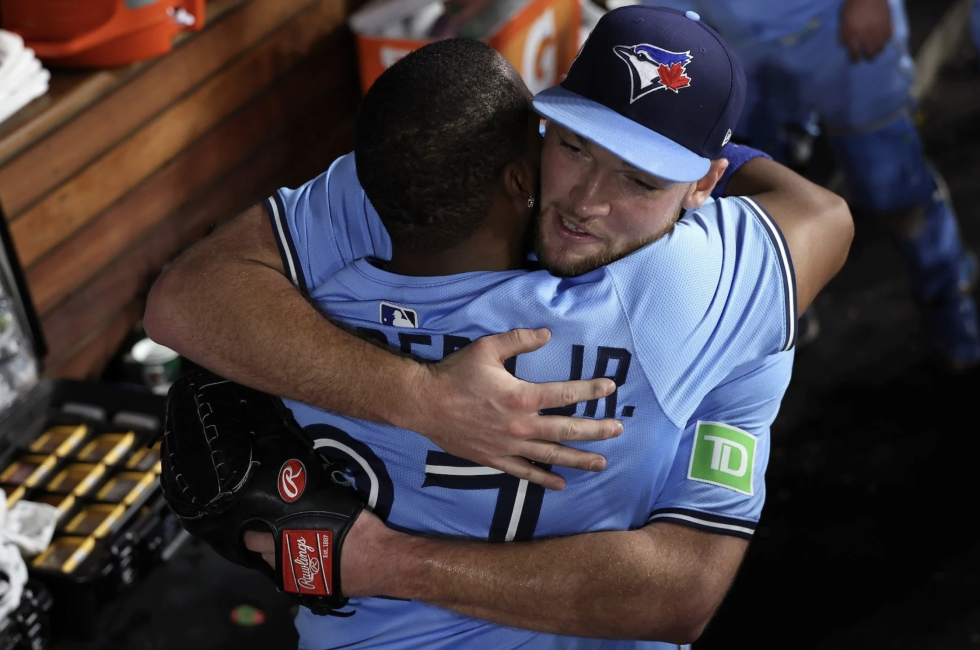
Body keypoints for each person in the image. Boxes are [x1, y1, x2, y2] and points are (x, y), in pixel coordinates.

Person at [146, 8, 852, 648]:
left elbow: (184, 297)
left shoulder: (387, 218)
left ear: (703, 186)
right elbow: (826, 214)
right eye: (576, 147)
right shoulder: (722, 288)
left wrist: (388, 560)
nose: (587, 203)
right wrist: (425, 400)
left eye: (640, 181)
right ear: (540, 130)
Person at [647, 0, 980, 369]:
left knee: (890, 183)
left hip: (832, 21)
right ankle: (786, 313)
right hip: (729, 34)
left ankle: (947, 289)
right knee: (752, 191)